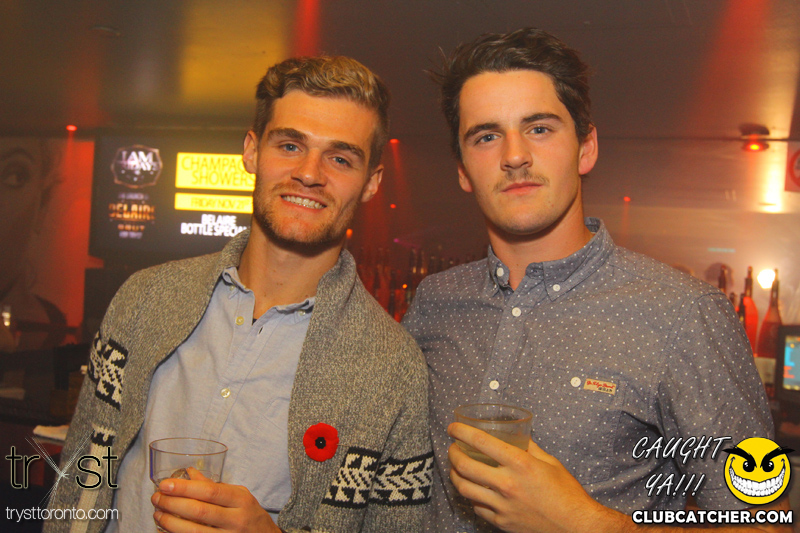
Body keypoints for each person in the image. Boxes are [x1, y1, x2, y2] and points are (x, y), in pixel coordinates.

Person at [403, 28, 785, 532]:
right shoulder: (435, 304)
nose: (514, 155)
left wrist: (581, 522)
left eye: (539, 128)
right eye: (486, 136)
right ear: (462, 170)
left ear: (586, 148)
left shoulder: (683, 314)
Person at [47, 56, 433, 533]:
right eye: (290, 145)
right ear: (251, 152)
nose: (309, 173)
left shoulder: (393, 370)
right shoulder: (143, 300)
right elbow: (81, 476)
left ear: (371, 182)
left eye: (340, 158)